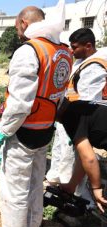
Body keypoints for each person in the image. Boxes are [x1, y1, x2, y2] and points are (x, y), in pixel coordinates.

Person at [0, 2, 72, 227]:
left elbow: (20, 104)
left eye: (16, 27)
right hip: (44, 131)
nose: (17, 32)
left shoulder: (29, 51)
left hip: (22, 134)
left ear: (24, 23)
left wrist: (1, 134)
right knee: (34, 191)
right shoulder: (62, 51)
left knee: (14, 196)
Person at [46, 28, 107, 186]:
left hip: (79, 116)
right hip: (68, 112)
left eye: (75, 47)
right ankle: (56, 178)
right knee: (60, 146)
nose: (72, 51)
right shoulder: (82, 61)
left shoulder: (96, 65)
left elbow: (88, 101)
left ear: (88, 46)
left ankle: (73, 187)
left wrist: (72, 117)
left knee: (74, 153)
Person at [57, 100, 107, 227]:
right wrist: (71, 185)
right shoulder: (77, 108)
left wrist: (96, 189)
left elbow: (89, 159)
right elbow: (83, 157)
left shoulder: (70, 117)